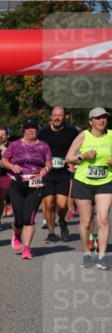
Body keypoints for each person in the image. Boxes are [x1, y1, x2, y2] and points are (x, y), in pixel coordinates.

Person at [65, 107, 112, 269]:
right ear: (90, 121)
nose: (102, 120)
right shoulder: (83, 136)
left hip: (106, 181)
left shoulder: (111, 135)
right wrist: (82, 156)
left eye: (104, 117)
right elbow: (68, 158)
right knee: (86, 221)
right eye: (98, 118)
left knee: (103, 218)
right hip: (83, 182)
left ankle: (102, 256)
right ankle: (86, 253)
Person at [1, 118, 51, 260]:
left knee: (29, 218)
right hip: (17, 184)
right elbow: (4, 160)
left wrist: (46, 170)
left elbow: (49, 163)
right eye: (27, 128)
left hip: (36, 185)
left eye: (33, 128)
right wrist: (12, 166)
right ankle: (17, 234)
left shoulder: (44, 146)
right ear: (23, 130)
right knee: (19, 218)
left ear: (37, 130)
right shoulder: (15, 145)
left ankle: (27, 248)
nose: (30, 130)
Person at [39, 107, 79, 242]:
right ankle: (51, 232)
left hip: (64, 172)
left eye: (60, 115)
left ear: (64, 117)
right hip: (48, 172)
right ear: (51, 117)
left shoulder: (71, 131)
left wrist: (73, 162)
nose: (57, 118)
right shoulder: (43, 132)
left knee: (62, 205)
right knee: (48, 202)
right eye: (55, 115)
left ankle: (61, 220)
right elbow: (37, 149)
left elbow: (78, 147)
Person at [0, 126, 12, 226]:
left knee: (1, 198)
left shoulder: (10, 145)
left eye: (3, 135)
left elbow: (11, 156)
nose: (1, 136)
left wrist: (2, 148)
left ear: (7, 136)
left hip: (5, 175)